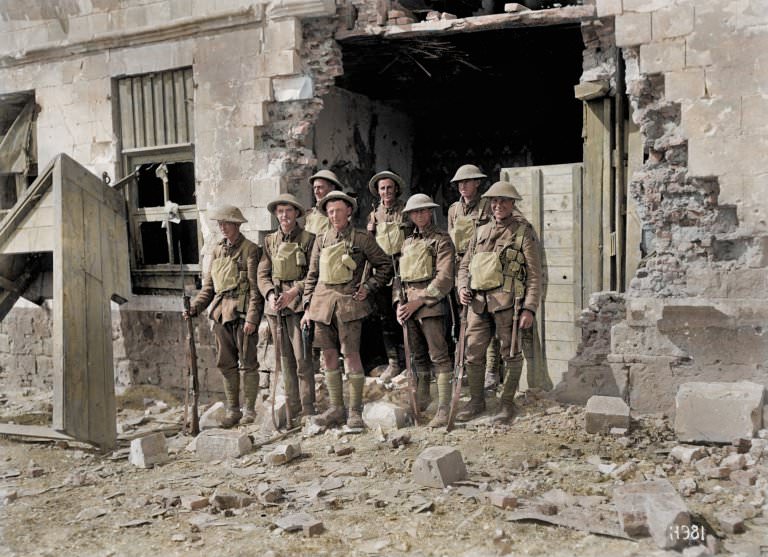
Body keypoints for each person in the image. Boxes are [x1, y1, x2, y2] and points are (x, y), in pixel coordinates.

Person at [301, 190, 393, 428]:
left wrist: (369, 287)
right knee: (328, 356)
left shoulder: (361, 238)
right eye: (330, 212)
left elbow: (384, 266)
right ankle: (335, 408)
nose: (334, 216)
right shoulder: (321, 240)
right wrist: (307, 307)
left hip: (349, 306)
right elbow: (312, 276)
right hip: (322, 306)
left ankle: (354, 410)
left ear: (349, 211)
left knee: (351, 356)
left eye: (338, 211)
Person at [456, 181, 542, 424]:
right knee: (473, 354)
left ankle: (506, 404)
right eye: (494, 201)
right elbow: (464, 265)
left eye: (504, 200)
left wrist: (530, 307)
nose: (498, 205)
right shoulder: (480, 231)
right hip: (478, 303)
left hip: (508, 304)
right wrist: (462, 287)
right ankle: (476, 402)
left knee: (511, 353)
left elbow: (535, 275)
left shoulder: (523, 232)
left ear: (512, 203)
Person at [184, 205, 264, 427]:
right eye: (220, 224)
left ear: (237, 225)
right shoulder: (218, 250)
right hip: (220, 313)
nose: (222, 227)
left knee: (248, 363)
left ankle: (249, 410)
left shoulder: (251, 250)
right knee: (226, 363)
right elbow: (209, 287)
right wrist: (194, 308)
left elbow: (256, 290)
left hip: (242, 311)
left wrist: (252, 318)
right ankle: (233, 410)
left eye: (226, 223)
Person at [394, 193, 455, 427]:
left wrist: (419, 301)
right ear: (409, 216)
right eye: (414, 212)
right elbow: (399, 278)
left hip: (431, 305)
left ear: (430, 212)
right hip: (408, 306)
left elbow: (445, 277)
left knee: (438, 356)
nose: (419, 215)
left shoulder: (441, 240)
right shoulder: (407, 243)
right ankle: (421, 397)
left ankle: (443, 407)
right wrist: (399, 303)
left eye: (423, 210)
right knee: (417, 356)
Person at [258, 193, 316, 426]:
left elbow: (314, 274)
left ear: (296, 214)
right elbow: (262, 274)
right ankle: (292, 408)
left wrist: (294, 292)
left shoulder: (309, 239)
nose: (284, 215)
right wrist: (271, 294)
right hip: (276, 310)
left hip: (299, 307)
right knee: (285, 361)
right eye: (280, 211)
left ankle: (309, 408)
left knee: (303, 360)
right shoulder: (270, 241)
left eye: (288, 211)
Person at [446, 164, 501, 392]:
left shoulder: (489, 206)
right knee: (463, 320)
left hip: (485, 266)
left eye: (467, 182)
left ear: (478, 183)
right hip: (461, 267)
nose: (463, 186)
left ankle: (491, 371)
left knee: (490, 318)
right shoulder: (453, 210)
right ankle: (467, 368)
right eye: (459, 183)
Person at [366, 170, 412, 382]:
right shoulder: (374, 215)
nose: (386, 192)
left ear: (396, 189)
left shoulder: (406, 211)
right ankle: (394, 362)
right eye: (382, 188)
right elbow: (369, 246)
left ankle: (411, 362)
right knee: (385, 318)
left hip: (403, 269)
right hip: (382, 271)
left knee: (404, 314)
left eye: (389, 188)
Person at [304, 170, 342, 235]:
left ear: (332, 188)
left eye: (320, 187)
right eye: (314, 188)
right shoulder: (310, 214)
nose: (316, 192)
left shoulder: (342, 213)